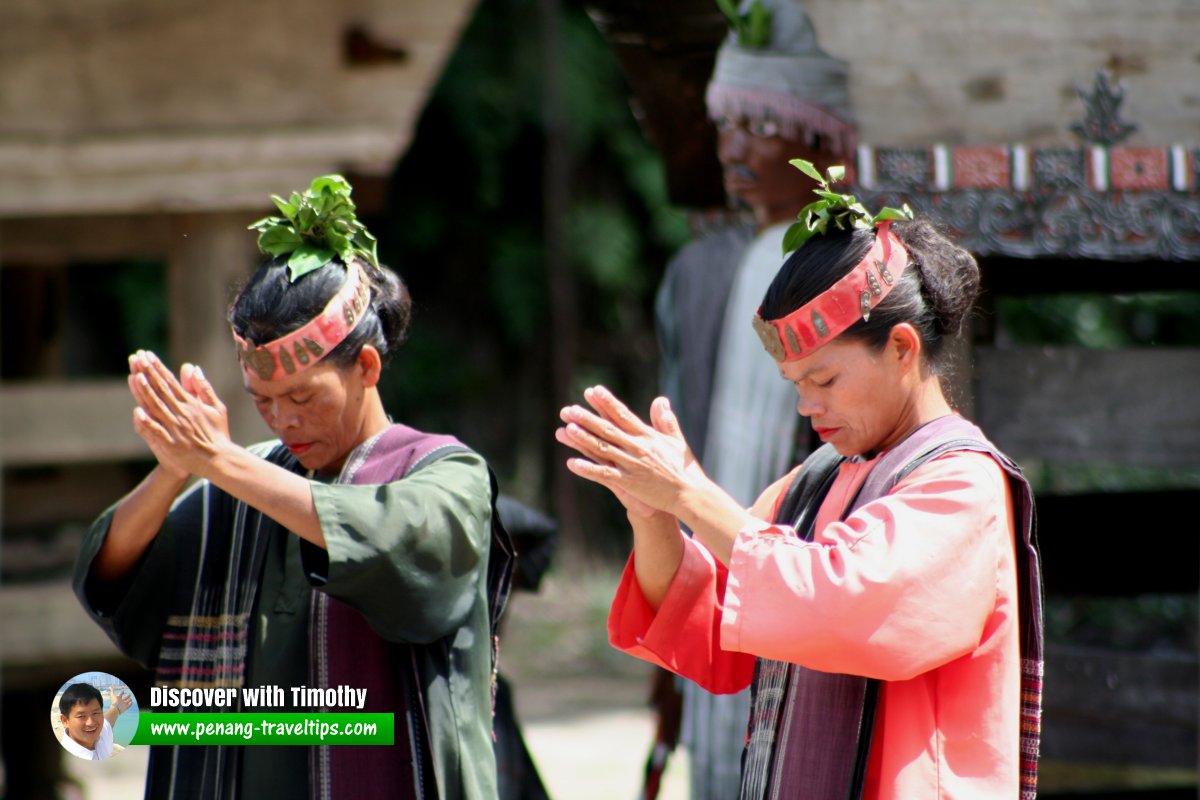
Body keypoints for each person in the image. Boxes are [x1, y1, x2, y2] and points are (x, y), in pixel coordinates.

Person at [556, 164, 1043, 799]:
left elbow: (841, 603)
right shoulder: (812, 484)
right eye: (796, 386)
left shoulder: (962, 485)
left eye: (825, 381)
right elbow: (707, 627)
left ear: (901, 349)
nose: (806, 407)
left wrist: (687, 492)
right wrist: (652, 515)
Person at [74, 175, 513, 800]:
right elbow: (113, 575)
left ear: (366, 367)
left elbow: (399, 542)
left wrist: (219, 461)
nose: (283, 420)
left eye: (303, 397)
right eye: (264, 401)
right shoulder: (242, 479)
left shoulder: (444, 472)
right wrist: (175, 470)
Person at [651, 1, 855, 795]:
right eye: (728, 125)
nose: (734, 149)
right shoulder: (698, 273)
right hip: (713, 558)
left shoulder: (854, 263)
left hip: (816, 566)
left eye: (762, 126)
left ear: (821, 141)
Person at [57, 683, 132, 761]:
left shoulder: (101, 735)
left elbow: (108, 719)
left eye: (95, 713)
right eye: (81, 716)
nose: (91, 723)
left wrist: (116, 707)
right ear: (65, 721)